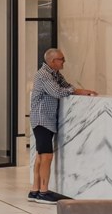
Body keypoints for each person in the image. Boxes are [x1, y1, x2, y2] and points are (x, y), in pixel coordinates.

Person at [29, 48, 97, 204]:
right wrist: (76, 90)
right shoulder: (44, 75)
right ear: (53, 61)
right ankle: (44, 192)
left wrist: (80, 91)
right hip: (42, 119)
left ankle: (35, 190)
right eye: (61, 59)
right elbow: (57, 92)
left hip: (46, 120)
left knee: (41, 155)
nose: (64, 62)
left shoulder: (55, 74)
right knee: (46, 155)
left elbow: (66, 86)